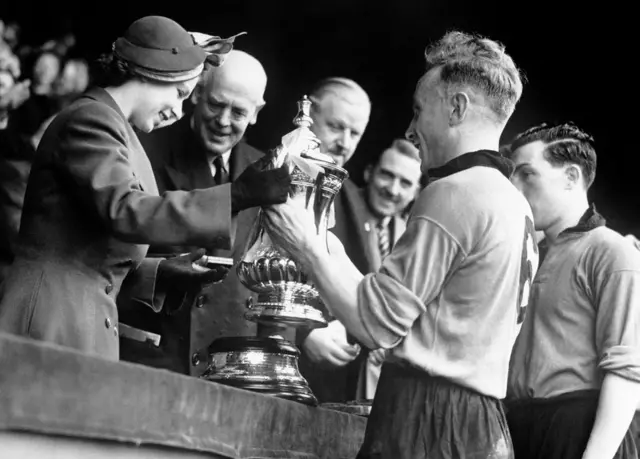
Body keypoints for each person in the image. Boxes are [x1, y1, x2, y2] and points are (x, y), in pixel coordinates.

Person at [264, 30, 535, 458]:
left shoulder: (454, 191)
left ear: (457, 107)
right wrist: (323, 241)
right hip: (483, 423)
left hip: (429, 417)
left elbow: (377, 325)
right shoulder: (514, 202)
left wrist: (305, 246)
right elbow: (389, 301)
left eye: (418, 111)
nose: (410, 130)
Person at [0, 16, 290, 360]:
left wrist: (159, 274)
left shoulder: (119, 131)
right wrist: (236, 196)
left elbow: (91, 255)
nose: (178, 112)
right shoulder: (91, 120)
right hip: (49, 319)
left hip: (77, 321)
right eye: (181, 94)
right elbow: (125, 210)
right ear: (152, 75)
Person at [118, 49, 274, 375]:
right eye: (216, 104)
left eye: (239, 112)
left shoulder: (266, 173)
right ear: (197, 93)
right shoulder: (146, 151)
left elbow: (270, 282)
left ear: (257, 113)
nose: (223, 121)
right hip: (155, 360)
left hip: (231, 368)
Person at [506, 122, 640, 459]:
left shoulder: (612, 251)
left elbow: (626, 373)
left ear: (570, 177)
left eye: (526, 174)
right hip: (519, 429)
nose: (513, 187)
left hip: (579, 431)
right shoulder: (526, 253)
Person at [295, 76, 372, 403]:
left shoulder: (355, 198)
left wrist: (350, 327)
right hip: (280, 366)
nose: (344, 143)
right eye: (336, 126)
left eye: (355, 133)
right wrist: (303, 334)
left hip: (338, 385)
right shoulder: (270, 176)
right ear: (308, 114)